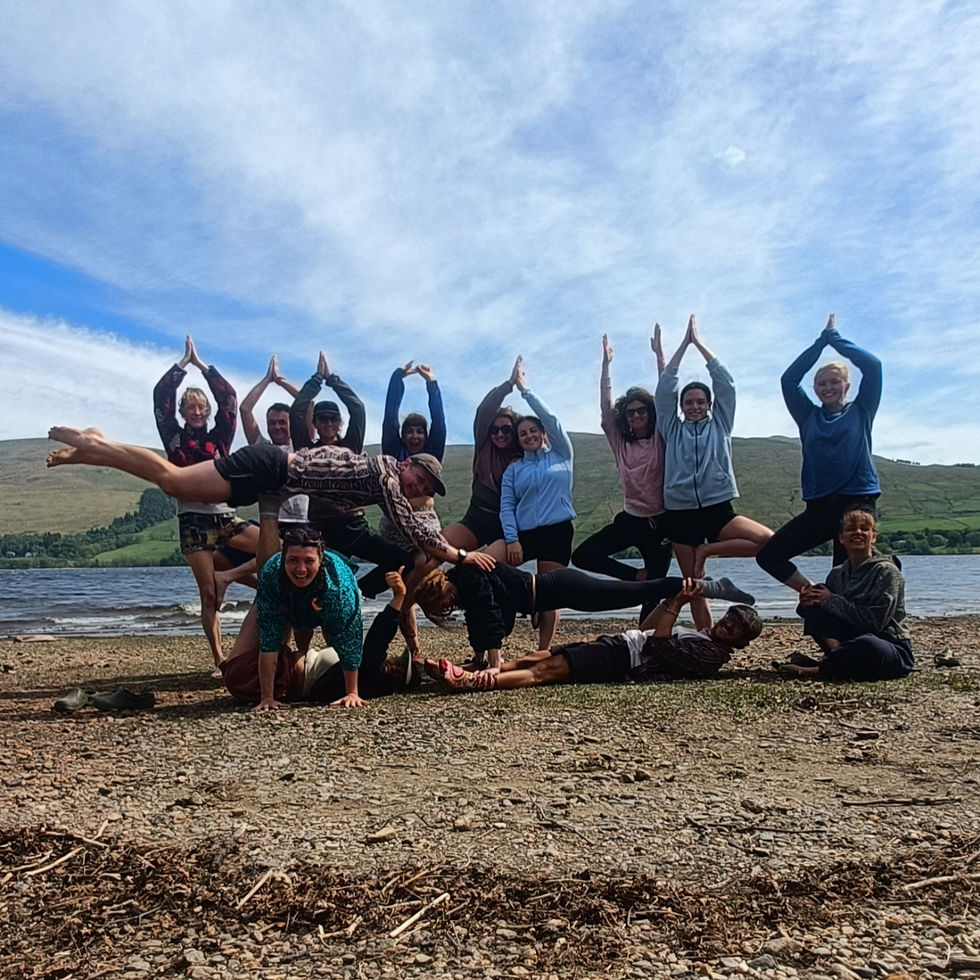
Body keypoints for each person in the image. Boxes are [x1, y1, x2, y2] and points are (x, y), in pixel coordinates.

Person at [45, 427, 495, 574]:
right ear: (409, 464)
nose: (420, 489)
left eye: (427, 490)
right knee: (174, 481)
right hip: (269, 467)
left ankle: (96, 450)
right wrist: (462, 556)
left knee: (176, 485)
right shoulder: (386, 475)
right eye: (422, 479)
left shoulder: (382, 480)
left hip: (275, 486)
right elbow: (416, 530)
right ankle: (97, 445)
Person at [413, 562, 754, 673]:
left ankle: (711, 587)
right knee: (630, 593)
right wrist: (480, 659)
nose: (448, 605)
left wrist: (494, 663)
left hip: (563, 586)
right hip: (557, 592)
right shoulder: (466, 582)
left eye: (443, 601)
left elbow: (487, 616)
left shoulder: (467, 576)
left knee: (632, 592)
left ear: (439, 585)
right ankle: (702, 587)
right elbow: (486, 620)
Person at [425, 581, 762, 691]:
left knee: (547, 671)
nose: (727, 626)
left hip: (623, 658)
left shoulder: (711, 656)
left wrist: (677, 605)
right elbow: (649, 628)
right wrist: (670, 601)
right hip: (622, 643)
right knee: (536, 656)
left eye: (735, 629)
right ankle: (478, 673)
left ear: (740, 642)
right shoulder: (705, 638)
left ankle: (476, 683)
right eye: (729, 618)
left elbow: (658, 644)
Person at [655, 315, 772, 629]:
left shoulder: (721, 423)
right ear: (682, 407)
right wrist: (682, 346)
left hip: (717, 506)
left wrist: (700, 345)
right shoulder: (671, 428)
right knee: (693, 584)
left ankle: (708, 549)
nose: (694, 406)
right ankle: (705, 638)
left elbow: (726, 383)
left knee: (768, 541)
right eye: (689, 402)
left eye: (700, 401)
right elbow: (665, 389)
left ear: (709, 405)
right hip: (679, 510)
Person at [152, 335, 259, 673]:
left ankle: (235, 575)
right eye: (191, 407)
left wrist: (203, 367)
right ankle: (219, 659)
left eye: (201, 407)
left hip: (226, 518)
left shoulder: (219, 439)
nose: (196, 411)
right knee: (210, 594)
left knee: (279, 550)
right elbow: (160, 398)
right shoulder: (174, 438)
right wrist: (181, 367)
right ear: (183, 412)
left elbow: (229, 399)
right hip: (193, 522)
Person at [757, 314, 883, 593]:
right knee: (769, 555)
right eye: (822, 383)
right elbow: (789, 380)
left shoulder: (862, 410)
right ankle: (814, 593)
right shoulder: (807, 416)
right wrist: (819, 344)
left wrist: (835, 340)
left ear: (846, 386)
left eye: (834, 382)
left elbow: (873, 367)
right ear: (815, 389)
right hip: (819, 506)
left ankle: (860, 619)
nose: (828, 387)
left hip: (857, 502)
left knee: (848, 578)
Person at [289, 352, 417, 599]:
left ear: (340, 423)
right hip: (321, 529)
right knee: (314, 590)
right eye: (322, 419)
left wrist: (332, 379)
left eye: (333, 419)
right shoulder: (305, 449)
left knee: (404, 560)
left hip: (355, 527)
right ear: (314, 422)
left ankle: (361, 590)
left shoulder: (351, 446)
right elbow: (297, 411)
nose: (328, 424)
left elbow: (357, 408)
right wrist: (316, 379)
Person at [221, 557, 416, 708]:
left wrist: (399, 597)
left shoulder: (373, 672)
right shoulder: (366, 681)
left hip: (267, 674)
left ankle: (230, 572)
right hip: (268, 678)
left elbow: (378, 637)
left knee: (270, 594)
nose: (391, 658)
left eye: (398, 661)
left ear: (396, 671)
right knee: (278, 598)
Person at [571, 328, 671, 593]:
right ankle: (634, 576)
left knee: (654, 591)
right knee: (582, 556)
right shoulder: (620, 442)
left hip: (662, 524)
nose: (636, 416)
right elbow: (606, 409)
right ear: (624, 418)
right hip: (631, 519)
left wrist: (660, 356)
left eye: (641, 411)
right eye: (630, 413)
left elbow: (667, 398)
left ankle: (651, 635)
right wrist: (606, 365)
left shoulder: (661, 438)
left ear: (650, 413)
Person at [774, 510, 913, 682]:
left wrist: (830, 600)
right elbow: (826, 615)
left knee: (868, 644)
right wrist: (808, 601)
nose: (858, 532)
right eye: (851, 529)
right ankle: (838, 657)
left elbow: (875, 623)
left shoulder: (887, 572)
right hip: (848, 642)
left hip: (887, 644)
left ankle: (817, 670)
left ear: (873, 537)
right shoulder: (837, 573)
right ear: (841, 538)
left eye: (864, 529)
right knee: (817, 598)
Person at [495, 357, 575, 650]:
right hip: (524, 535)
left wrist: (525, 390)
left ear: (543, 433)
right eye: (522, 433)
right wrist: (512, 539)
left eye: (533, 431)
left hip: (557, 531)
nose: (528, 436)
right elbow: (506, 506)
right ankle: (491, 643)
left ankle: (542, 651)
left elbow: (553, 419)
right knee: (486, 566)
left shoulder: (562, 455)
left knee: (551, 593)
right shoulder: (515, 469)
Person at [355, 361, 448, 599]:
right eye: (410, 431)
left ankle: (378, 591)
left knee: (426, 557)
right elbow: (390, 417)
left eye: (419, 431)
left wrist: (432, 384)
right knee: (397, 562)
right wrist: (397, 380)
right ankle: (372, 592)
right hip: (394, 518)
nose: (414, 436)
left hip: (423, 517)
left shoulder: (431, 457)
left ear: (426, 436)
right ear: (403, 435)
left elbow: (440, 423)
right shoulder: (394, 452)